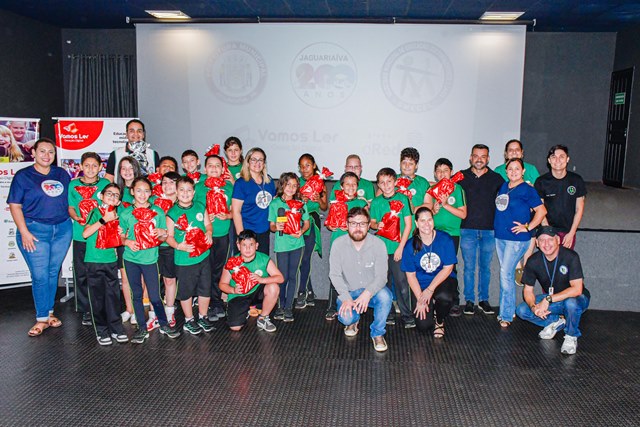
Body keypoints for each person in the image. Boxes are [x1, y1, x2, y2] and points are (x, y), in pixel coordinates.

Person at [8, 138, 73, 337]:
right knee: (40, 275)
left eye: (51, 152)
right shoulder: (23, 176)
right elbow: (15, 205)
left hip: (62, 230)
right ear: (34, 153)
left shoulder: (62, 174)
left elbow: (71, 201)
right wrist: (24, 232)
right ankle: (42, 318)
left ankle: (49, 313)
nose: (47, 155)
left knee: (52, 272)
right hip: (34, 231)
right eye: (42, 151)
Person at [119, 176, 180, 343]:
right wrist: (127, 242)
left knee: (154, 295)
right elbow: (121, 236)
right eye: (138, 191)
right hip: (131, 258)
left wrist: (162, 233)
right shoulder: (126, 213)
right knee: (137, 294)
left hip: (150, 259)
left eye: (146, 191)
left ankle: (164, 324)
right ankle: (141, 328)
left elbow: (162, 237)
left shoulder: (157, 212)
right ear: (132, 192)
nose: (142, 194)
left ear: (151, 193)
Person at [515, 226, 590, 355]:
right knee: (522, 310)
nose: (546, 244)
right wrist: (533, 307)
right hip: (553, 300)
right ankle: (555, 321)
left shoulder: (571, 257)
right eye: (542, 240)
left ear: (558, 241)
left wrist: (548, 300)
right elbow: (528, 291)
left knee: (570, 303)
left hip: (577, 299)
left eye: (550, 239)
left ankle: (571, 335)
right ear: (537, 243)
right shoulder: (533, 261)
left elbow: (577, 289)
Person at [329, 207, 392, 352]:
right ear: (347, 225)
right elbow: (334, 275)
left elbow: (382, 276)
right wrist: (346, 298)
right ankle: (353, 321)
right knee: (346, 318)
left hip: (372, 292)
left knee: (385, 296)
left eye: (362, 224)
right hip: (349, 293)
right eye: (353, 223)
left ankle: (377, 333)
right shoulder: (338, 244)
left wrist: (368, 293)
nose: (358, 228)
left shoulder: (378, 244)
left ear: (369, 225)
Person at [494, 158, 547, 328]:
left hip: (516, 239)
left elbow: (541, 211)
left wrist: (528, 227)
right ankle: (507, 311)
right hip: (501, 237)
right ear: (506, 171)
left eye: (517, 168)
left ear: (523, 171)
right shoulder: (504, 186)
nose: (514, 172)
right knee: (507, 274)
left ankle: (506, 314)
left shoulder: (528, 190)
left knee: (505, 273)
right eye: (510, 169)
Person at [458, 144, 504, 316]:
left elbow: (506, 199)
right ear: (471, 158)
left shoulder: (497, 178)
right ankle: (469, 301)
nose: (479, 159)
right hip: (467, 229)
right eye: (476, 156)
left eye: (483, 156)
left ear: (488, 159)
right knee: (469, 268)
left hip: (489, 230)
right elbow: (443, 186)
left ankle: (484, 300)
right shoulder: (460, 176)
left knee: (485, 268)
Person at [166, 177, 215, 335]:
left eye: (189, 190)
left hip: (203, 256)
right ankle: (189, 320)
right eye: (182, 190)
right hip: (184, 260)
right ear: (176, 192)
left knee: (205, 288)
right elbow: (169, 237)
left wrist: (209, 233)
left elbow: (208, 224)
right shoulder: (172, 213)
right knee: (186, 291)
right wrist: (178, 246)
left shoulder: (200, 206)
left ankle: (203, 316)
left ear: (194, 192)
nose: (185, 193)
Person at [82, 183, 128, 345]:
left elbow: (120, 238)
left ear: (118, 201)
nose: (112, 197)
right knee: (97, 297)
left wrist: (122, 234)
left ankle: (116, 328)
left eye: (116, 195)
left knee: (113, 296)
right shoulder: (95, 212)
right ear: (101, 196)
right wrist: (104, 219)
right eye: (109, 193)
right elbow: (86, 233)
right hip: (94, 260)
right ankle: (101, 331)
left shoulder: (118, 216)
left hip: (110, 260)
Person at [402, 207, 459, 338]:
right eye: (422, 221)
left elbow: (448, 268)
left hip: (442, 280)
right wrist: (420, 299)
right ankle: (432, 304)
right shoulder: (410, 245)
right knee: (423, 326)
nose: (426, 224)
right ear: (416, 223)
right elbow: (411, 276)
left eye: (429, 220)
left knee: (444, 296)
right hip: (421, 284)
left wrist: (430, 290)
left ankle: (439, 321)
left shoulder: (445, 239)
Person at [68, 152, 110, 327]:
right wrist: (76, 217)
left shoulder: (105, 184)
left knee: (102, 273)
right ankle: (86, 309)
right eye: (86, 165)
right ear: (80, 167)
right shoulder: (73, 185)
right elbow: (71, 207)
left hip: (101, 235)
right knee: (82, 273)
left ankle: (103, 306)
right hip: (81, 235)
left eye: (94, 165)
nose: (91, 169)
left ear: (100, 167)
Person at [370, 167, 415, 328]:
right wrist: (377, 225)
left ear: (395, 182)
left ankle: (407, 315)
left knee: (402, 283)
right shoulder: (376, 202)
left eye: (389, 181)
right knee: (384, 283)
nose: (386, 185)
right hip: (381, 250)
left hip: (398, 249)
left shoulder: (403, 199)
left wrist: (401, 248)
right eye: (382, 182)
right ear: (378, 185)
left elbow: (409, 225)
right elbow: (372, 223)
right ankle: (387, 313)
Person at [218, 230, 284, 333]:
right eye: (244, 245)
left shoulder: (264, 259)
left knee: (273, 287)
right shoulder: (232, 262)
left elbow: (280, 278)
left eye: (251, 245)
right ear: (238, 246)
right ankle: (244, 311)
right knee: (235, 327)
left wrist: (262, 280)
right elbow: (222, 284)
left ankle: (263, 318)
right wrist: (233, 290)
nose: (248, 248)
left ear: (256, 245)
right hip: (239, 295)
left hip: (257, 292)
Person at [325, 172, 369, 320]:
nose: (351, 187)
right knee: (336, 276)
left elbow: (367, 225)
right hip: (338, 244)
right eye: (347, 184)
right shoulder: (336, 202)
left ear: (357, 186)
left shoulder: (361, 204)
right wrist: (332, 225)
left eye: (354, 184)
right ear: (341, 186)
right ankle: (332, 307)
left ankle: (355, 307)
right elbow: (329, 223)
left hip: (356, 246)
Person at [195, 154, 233, 322]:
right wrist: (203, 219)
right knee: (206, 271)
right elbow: (192, 209)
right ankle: (207, 303)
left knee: (218, 269)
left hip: (222, 234)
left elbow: (235, 210)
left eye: (218, 165)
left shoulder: (229, 187)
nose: (214, 168)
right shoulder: (199, 187)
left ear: (223, 168)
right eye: (210, 165)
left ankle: (217, 302)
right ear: (205, 169)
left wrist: (228, 215)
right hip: (204, 235)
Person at [269, 173, 310, 322]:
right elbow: (272, 226)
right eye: (288, 185)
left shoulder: (301, 204)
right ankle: (280, 305)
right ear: (282, 185)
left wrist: (302, 231)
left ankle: (288, 308)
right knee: (283, 276)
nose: (291, 188)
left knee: (293, 276)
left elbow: (307, 223)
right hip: (282, 246)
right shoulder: (275, 204)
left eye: (294, 185)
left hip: (297, 245)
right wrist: (276, 227)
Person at [535, 145, 587, 249]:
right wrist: (549, 232)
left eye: (561, 157)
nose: (557, 160)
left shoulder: (576, 180)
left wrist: (572, 233)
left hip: (568, 231)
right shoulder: (541, 182)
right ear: (549, 160)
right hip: (547, 228)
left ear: (567, 159)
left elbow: (579, 209)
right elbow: (539, 209)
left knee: (566, 258)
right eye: (554, 157)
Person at [296, 153, 327, 309]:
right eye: (301, 166)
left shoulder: (320, 182)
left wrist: (318, 199)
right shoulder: (296, 182)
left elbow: (324, 207)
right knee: (300, 258)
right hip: (297, 221)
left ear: (314, 165)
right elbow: (286, 199)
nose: (304, 169)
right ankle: (309, 291)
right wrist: (299, 199)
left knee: (305, 257)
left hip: (312, 221)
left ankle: (302, 291)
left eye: (307, 165)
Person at [231, 147, 276, 254]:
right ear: (247, 162)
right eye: (253, 159)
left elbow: (274, 204)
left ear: (264, 163)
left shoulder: (269, 181)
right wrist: (242, 237)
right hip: (247, 232)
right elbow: (236, 212)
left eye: (260, 160)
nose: (257, 163)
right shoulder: (241, 183)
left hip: (264, 232)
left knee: (262, 263)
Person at [115, 156, 142, 322]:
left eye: (131, 167)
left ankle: (139, 310)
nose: (127, 171)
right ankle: (129, 309)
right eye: (123, 168)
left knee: (140, 278)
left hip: (141, 240)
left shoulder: (144, 188)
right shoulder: (116, 191)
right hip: (123, 240)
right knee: (125, 277)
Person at [155, 171, 180, 326]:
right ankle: (154, 314)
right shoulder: (154, 202)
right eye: (164, 182)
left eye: (171, 182)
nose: (167, 185)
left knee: (170, 280)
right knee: (153, 281)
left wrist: (167, 231)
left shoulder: (183, 202)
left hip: (173, 247)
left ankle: (170, 311)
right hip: (155, 247)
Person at [397, 147, 430, 211]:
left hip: (415, 216)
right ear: (400, 164)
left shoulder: (423, 183)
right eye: (404, 163)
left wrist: (414, 210)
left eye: (411, 163)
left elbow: (429, 204)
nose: (407, 166)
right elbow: (379, 200)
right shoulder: (391, 179)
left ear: (416, 165)